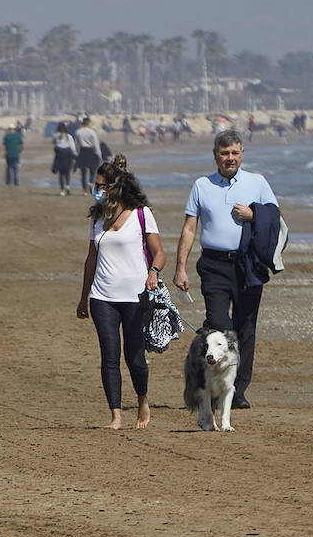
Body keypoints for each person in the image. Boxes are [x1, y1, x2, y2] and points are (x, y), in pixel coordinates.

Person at [172, 130, 279, 410]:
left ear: (242, 154)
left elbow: (276, 218)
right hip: (213, 265)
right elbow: (189, 227)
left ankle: (237, 390)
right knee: (220, 326)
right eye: (224, 153)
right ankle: (214, 385)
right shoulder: (201, 185)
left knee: (246, 327)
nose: (229, 158)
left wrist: (253, 215)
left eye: (234, 152)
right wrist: (180, 268)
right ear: (215, 155)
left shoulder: (257, 182)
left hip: (247, 264)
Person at [76, 156, 166, 430]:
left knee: (135, 357)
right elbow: (91, 259)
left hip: (136, 296)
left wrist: (153, 272)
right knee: (109, 355)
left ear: (116, 187)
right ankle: (115, 415)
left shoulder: (141, 214)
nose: (97, 190)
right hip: (103, 297)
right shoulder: (97, 217)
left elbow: (159, 252)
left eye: (102, 186)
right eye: (96, 185)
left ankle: (142, 400)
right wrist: (83, 296)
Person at [74, 116, 100, 194]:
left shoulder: (78, 132)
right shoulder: (92, 132)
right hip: (91, 151)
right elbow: (96, 144)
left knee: (83, 172)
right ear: (88, 123)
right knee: (93, 171)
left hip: (82, 151)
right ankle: (91, 185)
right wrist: (99, 155)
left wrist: (77, 154)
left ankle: (84, 190)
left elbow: (76, 144)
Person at [52, 121, 76, 195]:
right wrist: (75, 156)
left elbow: (54, 142)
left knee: (61, 173)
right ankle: (67, 186)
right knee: (67, 172)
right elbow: (73, 147)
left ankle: (62, 190)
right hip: (68, 155)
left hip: (59, 155)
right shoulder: (69, 136)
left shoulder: (56, 135)